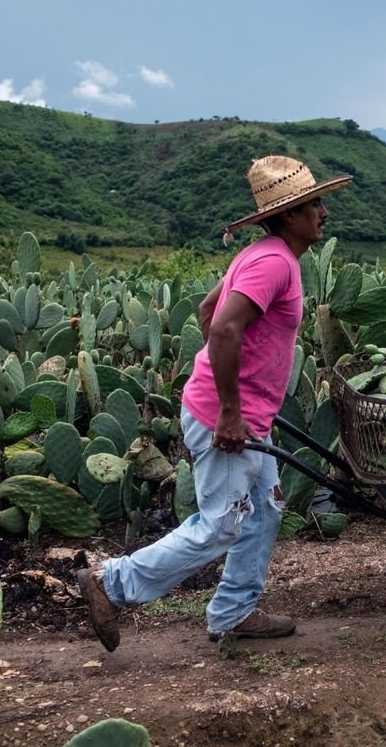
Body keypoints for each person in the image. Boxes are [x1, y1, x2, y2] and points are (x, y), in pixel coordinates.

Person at [77, 155, 351, 651]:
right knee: (221, 524)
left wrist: (233, 381)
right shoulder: (272, 262)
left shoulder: (264, 253)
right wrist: (229, 405)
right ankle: (110, 583)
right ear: (289, 214)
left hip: (246, 415)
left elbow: (208, 311)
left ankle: (233, 613)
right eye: (314, 205)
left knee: (265, 513)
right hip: (230, 418)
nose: (323, 214)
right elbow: (223, 326)